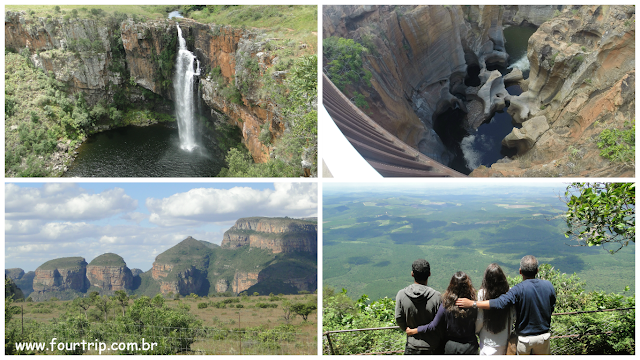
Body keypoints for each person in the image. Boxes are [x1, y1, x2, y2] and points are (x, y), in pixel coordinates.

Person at [456, 255, 556, 355]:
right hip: (544, 337)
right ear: (537, 270)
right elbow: (551, 307)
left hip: (524, 340)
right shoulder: (549, 286)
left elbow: (499, 303)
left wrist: (473, 303)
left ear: (520, 271)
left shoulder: (518, 289)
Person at [405, 271, 478, 355]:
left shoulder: (446, 305)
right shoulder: (473, 304)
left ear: (451, 285)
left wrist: (415, 330)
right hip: (470, 346)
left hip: (451, 347)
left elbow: (434, 326)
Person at [395, 259, 442, 355]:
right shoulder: (437, 296)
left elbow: (399, 318)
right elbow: (441, 323)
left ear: (412, 274)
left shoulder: (402, 295)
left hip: (412, 346)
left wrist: (407, 330)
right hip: (433, 347)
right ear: (429, 274)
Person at [476, 263, 515, 355]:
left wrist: (476, 331)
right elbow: (513, 315)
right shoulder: (509, 292)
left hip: (487, 342)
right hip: (505, 340)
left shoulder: (482, 294)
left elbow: (480, 318)